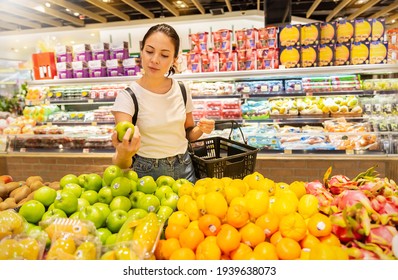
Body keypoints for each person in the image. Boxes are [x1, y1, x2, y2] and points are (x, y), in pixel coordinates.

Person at [111, 23, 215, 183]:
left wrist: (201, 129)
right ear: (141, 51)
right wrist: (124, 153)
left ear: (174, 59)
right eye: (149, 51)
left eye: (164, 55)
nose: (154, 60)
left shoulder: (181, 89)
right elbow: (122, 158)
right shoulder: (128, 97)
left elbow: (188, 134)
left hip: (185, 167)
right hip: (147, 172)